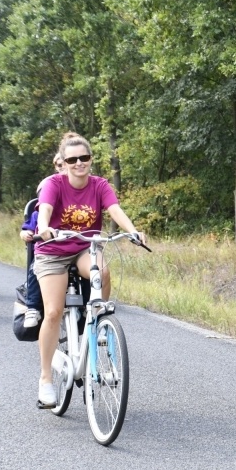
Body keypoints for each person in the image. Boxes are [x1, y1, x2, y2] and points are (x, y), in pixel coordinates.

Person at [33, 133, 146, 408]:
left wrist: (133, 231)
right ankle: (46, 378)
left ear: (91, 160)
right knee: (53, 312)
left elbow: (115, 209)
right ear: (64, 162)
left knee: (103, 272)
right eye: (72, 159)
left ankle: (98, 322)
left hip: (85, 247)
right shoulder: (53, 184)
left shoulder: (99, 185)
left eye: (84, 158)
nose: (79, 163)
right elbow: (45, 209)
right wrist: (44, 227)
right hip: (53, 251)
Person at [19, 153, 66, 328]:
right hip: (46, 253)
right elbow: (26, 230)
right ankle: (32, 307)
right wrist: (26, 235)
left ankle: (88, 306)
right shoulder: (38, 213)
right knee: (34, 269)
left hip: (71, 250)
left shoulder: (69, 211)